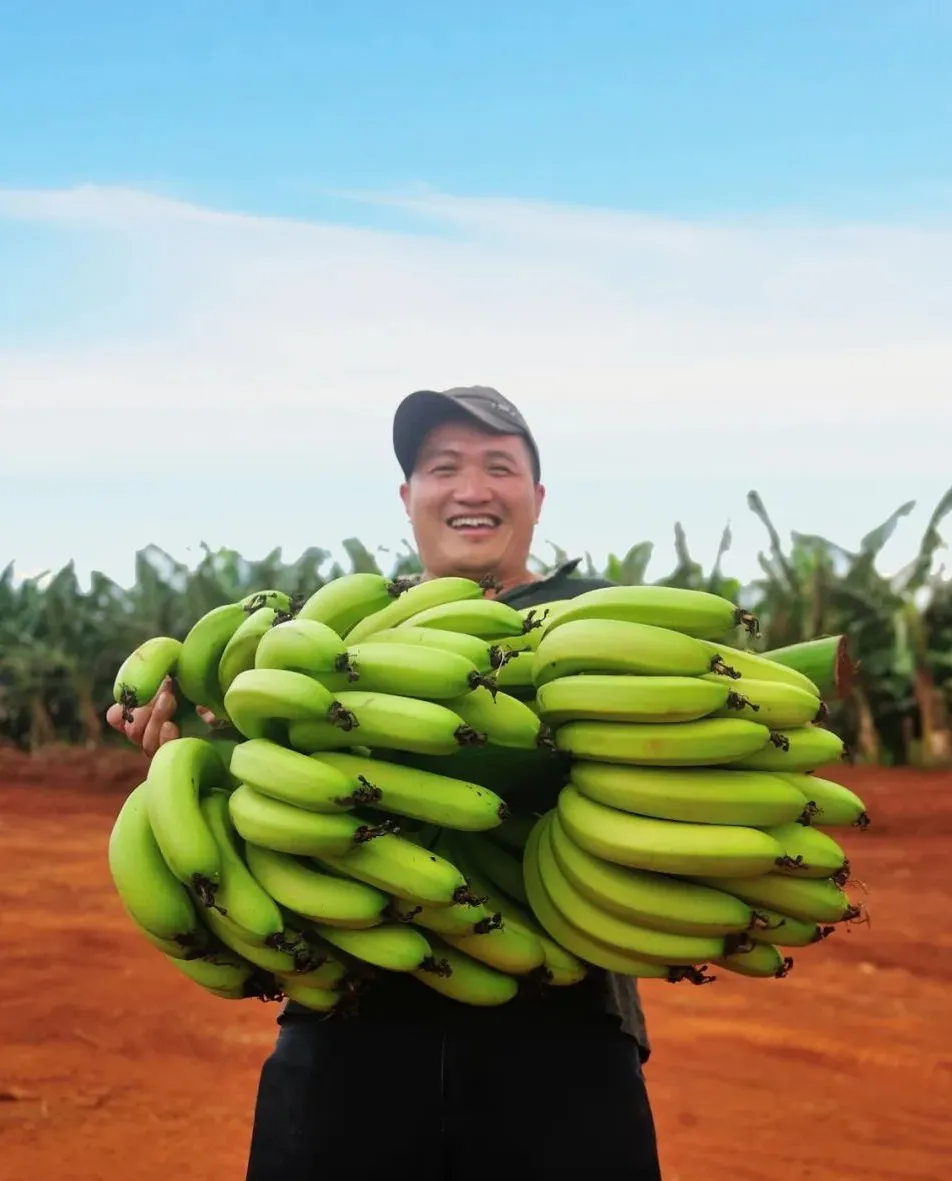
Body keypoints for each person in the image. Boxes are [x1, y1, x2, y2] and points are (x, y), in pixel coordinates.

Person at [107, 386, 662, 1178]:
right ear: (408, 498)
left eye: (498, 466)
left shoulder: (608, 626)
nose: (471, 489)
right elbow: (263, 777)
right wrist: (194, 750)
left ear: (537, 497)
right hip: (348, 1009)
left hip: (562, 1022)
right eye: (443, 467)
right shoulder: (333, 639)